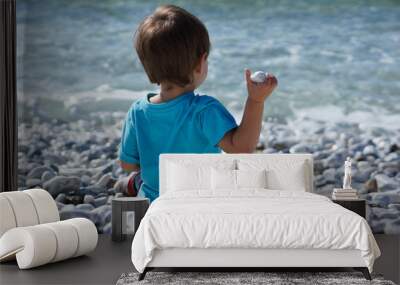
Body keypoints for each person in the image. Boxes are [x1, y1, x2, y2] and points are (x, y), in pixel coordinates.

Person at [114, 4, 278, 202]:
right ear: (201, 63)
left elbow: (127, 165)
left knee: (142, 178)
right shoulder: (204, 110)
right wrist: (256, 100)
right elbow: (241, 147)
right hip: (199, 202)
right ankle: (134, 183)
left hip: (154, 204)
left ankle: (134, 184)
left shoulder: (138, 111)